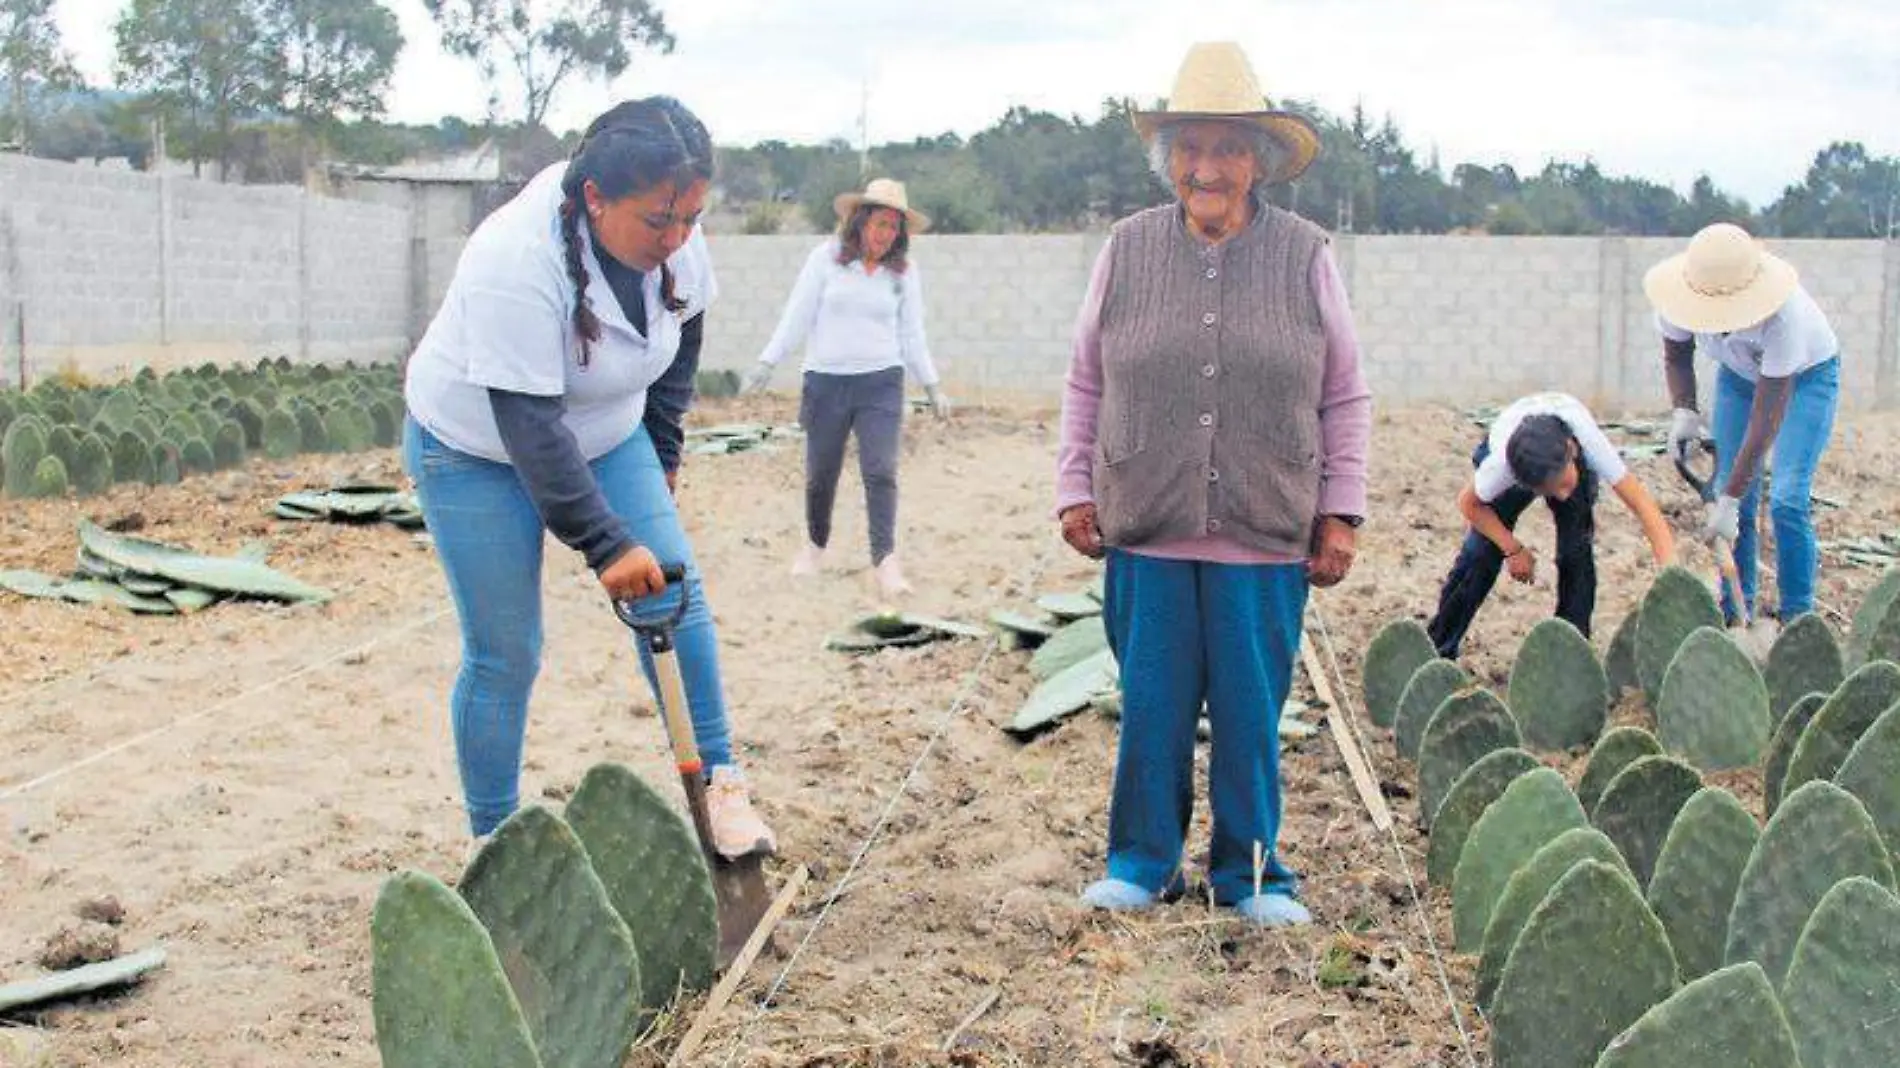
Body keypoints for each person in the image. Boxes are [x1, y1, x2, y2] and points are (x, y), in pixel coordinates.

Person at [401, 95, 776, 859]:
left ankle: (720, 784)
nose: (675, 240)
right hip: (477, 451)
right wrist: (604, 544)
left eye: (690, 221)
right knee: (507, 650)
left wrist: (664, 449)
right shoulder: (514, 259)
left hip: (610, 432)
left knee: (677, 592)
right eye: (657, 223)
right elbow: (530, 426)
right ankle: (493, 843)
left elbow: (686, 335)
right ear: (595, 198)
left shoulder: (677, 238)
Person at [1054, 42, 1372, 928]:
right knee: (1151, 705)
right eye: (1190, 148)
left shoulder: (1306, 254)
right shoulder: (1126, 248)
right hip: (1146, 521)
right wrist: (1074, 486)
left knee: (1248, 713)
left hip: (1266, 526)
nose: (1207, 167)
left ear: (1258, 161)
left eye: (1228, 148)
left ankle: (1254, 874)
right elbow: (1088, 379)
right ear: (1169, 161)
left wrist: (1340, 509)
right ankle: (1142, 862)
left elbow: (1343, 391)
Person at [743, 178, 950, 597]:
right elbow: (797, 315)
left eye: (893, 227)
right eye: (878, 224)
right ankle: (815, 546)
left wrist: (932, 385)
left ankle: (886, 562)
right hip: (826, 381)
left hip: (881, 383)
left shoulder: (904, 273)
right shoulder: (825, 259)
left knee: (881, 471)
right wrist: (767, 361)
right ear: (859, 222)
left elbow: (912, 334)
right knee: (821, 475)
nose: (884, 234)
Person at [1644, 221, 1841, 626]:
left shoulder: (1785, 318)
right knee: (1737, 502)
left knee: (1787, 498)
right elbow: (1677, 357)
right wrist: (1685, 410)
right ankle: (1737, 614)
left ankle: (1798, 620)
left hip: (1805, 381)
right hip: (1737, 378)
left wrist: (1730, 497)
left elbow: (1766, 421)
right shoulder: (1681, 300)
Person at [1426, 393, 1676, 658]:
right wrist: (1512, 548)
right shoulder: (1502, 467)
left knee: (1576, 553)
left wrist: (1670, 573)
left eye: (1563, 483)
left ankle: (1571, 656)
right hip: (1518, 453)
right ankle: (1439, 649)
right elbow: (1469, 505)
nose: (1561, 496)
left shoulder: (1589, 444)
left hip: (1557, 446)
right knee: (1480, 556)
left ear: (1573, 450)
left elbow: (1642, 504)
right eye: (1548, 490)